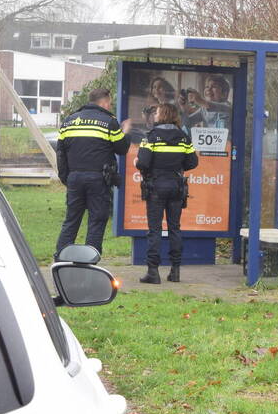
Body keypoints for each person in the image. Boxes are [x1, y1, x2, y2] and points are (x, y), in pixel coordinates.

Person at [55, 87, 132, 258]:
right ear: (104, 102)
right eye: (110, 103)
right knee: (97, 220)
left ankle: (60, 258)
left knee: (71, 220)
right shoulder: (109, 122)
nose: (110, 106)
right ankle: (89, 261)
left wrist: (66, 178)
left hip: (74, 177)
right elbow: (121, 148)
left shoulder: (69, 121)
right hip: (98, 179)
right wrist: (124, 131)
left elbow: (60, 152)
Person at [135, 102, 199, 284]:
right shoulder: (184, 137)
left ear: (162, 115)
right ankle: (175, 271)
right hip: (176, 187)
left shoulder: (151, 137)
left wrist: (137, 163)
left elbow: (143, 163)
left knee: (154, 230)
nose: (154, 115)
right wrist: (178, 166)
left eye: (157, 112)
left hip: (155, 187)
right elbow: (193, 162)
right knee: (175, 228)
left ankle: (153, 272)